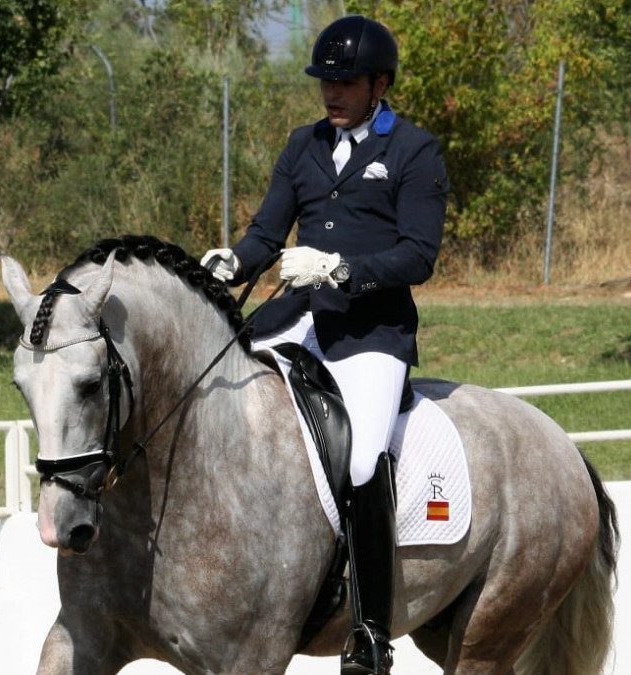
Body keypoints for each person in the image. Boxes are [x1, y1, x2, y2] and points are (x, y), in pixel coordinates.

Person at [202, 15, 448, 675]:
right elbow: (266, 231)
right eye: (325, 82)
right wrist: (234, 261)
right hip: (297, 317)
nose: (331, 93)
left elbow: (419, 255)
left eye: (345, 82)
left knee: (364, 457)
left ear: (379, 84)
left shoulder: (415, 151)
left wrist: (341, 269)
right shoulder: (302, 145)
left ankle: (369, 630)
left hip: (372, 331)